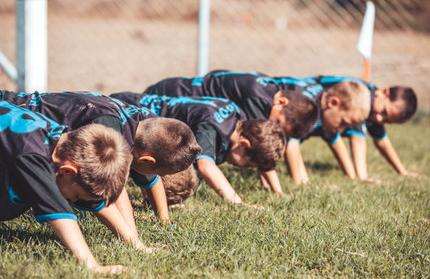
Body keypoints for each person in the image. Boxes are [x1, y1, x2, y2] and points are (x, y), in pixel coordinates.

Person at [0, 90, 202, 225]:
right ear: (146, 160)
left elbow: (150, 178)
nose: (156, 178)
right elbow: (115, 188)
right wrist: (132, 237)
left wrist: (164, 219)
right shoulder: (109, 131)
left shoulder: (144, 124)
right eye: (159, 172)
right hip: (11, 117)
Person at [141, 70, 370, 185]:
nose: (341, 130)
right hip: (167, 96)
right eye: (343, 123)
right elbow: (263, 146)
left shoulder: (277, 100)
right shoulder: (260, 100)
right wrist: (279, 188)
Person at [0, 101, 136, 273]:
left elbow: (93, 202)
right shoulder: (31, 153)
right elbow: (58, 211)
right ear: (67, 170)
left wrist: (133, 241)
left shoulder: (59, 141)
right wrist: (92, 266)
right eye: (76, 197)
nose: (74, 201)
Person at [110, 92, 286, 208]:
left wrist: (277, 191)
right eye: (248, 163)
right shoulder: (211, 126)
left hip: (133, 101)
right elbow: (205, 166)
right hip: (125, 112)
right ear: (244, 144)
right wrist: (237, 203)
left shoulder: (236, 117)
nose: (243, 169)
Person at [267, 75, 418, 181]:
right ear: (384, 93)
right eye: (384, 112)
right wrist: (361, 177)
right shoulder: (359, 98)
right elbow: (357, 138)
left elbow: (382, 141)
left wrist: (402, 171)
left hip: (323, 110)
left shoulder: (365, 110)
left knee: (329, 132)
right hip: (297, 99)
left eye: (387, 121)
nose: (380, 119)